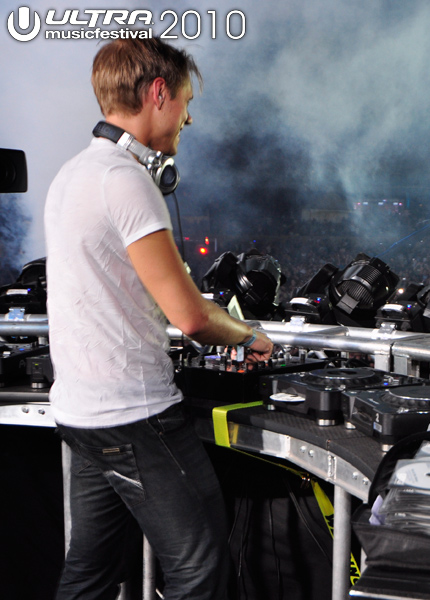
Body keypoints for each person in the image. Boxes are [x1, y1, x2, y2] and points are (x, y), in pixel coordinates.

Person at [44, 38, 273, 600]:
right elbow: (190, 317)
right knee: (199, 567)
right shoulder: (126, 181)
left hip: (81, 414)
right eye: (186, 102)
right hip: (135, 415)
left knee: (90, 573)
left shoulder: (71, 174)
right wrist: (249, 334)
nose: (189, 117)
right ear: (158, 93)